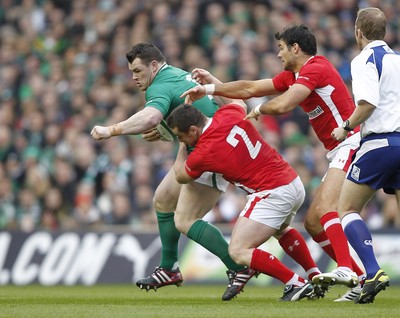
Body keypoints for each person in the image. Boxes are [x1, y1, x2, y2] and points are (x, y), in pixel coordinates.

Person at [180, 25, 366, 301]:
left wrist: (259, 109)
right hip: (335, 150)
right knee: (314, 223)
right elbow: (250, 87)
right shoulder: (294, 75)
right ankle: (357, 275)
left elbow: (282, 105)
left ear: (295, 48)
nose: (278, 54)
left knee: (327, 210)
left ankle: (351, 272)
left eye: (281, 48)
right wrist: (209, 87)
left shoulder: (315, 68)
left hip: (351, 141)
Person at [90, 42, 256, 300]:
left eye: (137, 71)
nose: (134, 77)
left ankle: (238, 267)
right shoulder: (177, 74)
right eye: (131, 72)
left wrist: (111, 130)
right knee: (163, 201)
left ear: (154, 65)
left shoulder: (159, 85)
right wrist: (169, 132)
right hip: (208, 146)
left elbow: (150, 118)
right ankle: (169, 268)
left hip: (210, 153)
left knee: (185, 220)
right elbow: (188, 115)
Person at [166, 102, 315, 301]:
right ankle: (314, 275)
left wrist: (182, 147)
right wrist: (211, 82)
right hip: (292, 182)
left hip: (271, 191)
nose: (181, 139)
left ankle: (295, 282)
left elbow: (180, 176)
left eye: (181, 135)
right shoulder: (228, 113)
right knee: (281, 230)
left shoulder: (204, 151)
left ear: (193, 129)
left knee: (237, 251)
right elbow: (239, 102)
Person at [328, 7, 394, 304]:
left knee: (346, 209)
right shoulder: (397, 60)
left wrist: (345, 127)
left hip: (379, 143)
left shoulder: (364, 59)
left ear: (358, 32)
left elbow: (367, 104)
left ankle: (373, 271)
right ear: (385, 32)